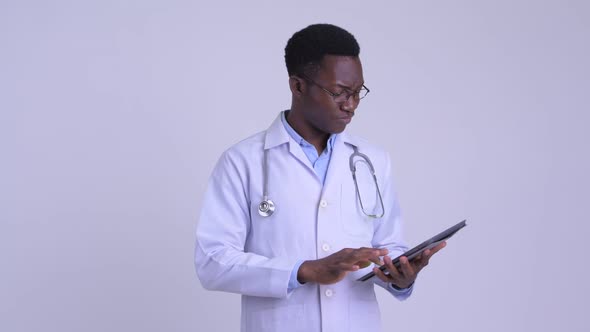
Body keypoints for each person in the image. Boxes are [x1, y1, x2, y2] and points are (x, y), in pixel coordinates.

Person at [194, 23, 446, 332]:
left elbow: (387, 244)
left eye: (357, 93)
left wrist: (400, 276)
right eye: (339, 92)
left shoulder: (373, 160)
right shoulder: (242, 161)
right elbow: (212, 262)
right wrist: (304, 270)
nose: (350, 105)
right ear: (298, 86)